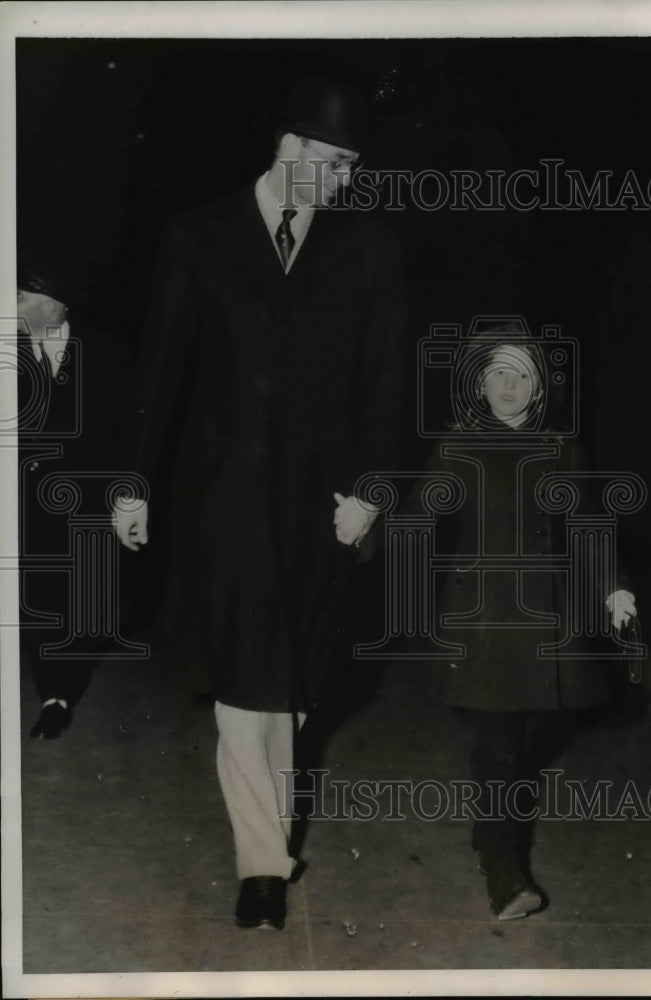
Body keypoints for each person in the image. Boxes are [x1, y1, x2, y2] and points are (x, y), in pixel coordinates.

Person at [114, 77, 406, 931]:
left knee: (298, 691)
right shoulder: (198, 236)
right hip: (225, 501)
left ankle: (270, 838)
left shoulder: (370, 249)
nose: (347, 180)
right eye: (334, 162)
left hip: (326, 505)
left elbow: (386, 384)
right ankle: (262, 866)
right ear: (288, 149)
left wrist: (370, 493)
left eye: (355, 165)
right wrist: (133, 485)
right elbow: (159, 374)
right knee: (246, 686)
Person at [402, 322, 636, 920]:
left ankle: (490, 832)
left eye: (522, 373)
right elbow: (420, 519)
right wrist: (365, 528)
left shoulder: (564, 449)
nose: (509, 384)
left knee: (522, 740)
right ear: (481, 383)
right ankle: (505, 870)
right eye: (498, 372)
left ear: (540, 388)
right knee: (499, 744)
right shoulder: (457, 447)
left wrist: (614, 590)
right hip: (480, 623)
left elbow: (587, 528)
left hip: (545, 623)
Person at [16, 263, 128, 738]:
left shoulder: (108, 355)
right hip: (25, 505)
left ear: (56, 305)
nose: (10, 308)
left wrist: (128, 495)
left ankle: (67, 680)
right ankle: (55, 696)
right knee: (37, 601)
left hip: (90, 503)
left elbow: (128, 434)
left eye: (19, 298)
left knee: (84, 605)